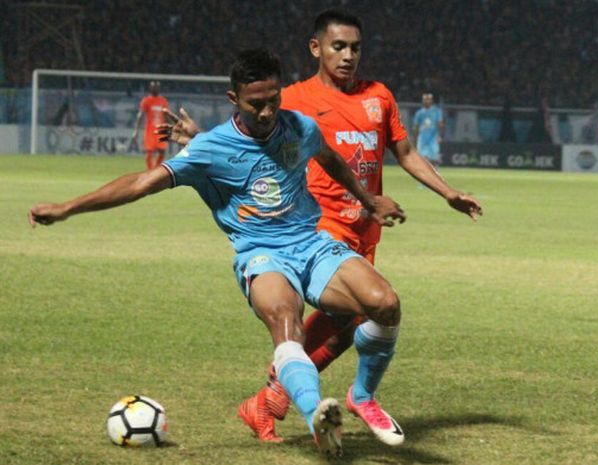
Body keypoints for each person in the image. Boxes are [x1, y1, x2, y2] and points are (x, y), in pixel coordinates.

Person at [28, 49, 408, 458]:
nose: (266, 112)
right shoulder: (210, 149)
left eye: (273, 100)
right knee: (286, 320)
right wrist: (67, 208)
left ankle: (362, 396)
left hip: (311, 243)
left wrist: (367, 200)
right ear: (234, 99)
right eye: (255, 104)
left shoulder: (299, 126)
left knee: (384, 304)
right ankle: (316, 415)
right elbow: (141, 183)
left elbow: (329, 158)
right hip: (262, 254)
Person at [158, 9, 482, 445]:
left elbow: (404, 154)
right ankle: (323, 401)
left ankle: (269, 402)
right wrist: (200, 139)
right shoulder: (293, 98)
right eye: (338, 47)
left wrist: (448, 192)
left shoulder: (378, 96)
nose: (348, 56)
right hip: (317, 227)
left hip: (364, 225)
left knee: (348, 326)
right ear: (316, 49)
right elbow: (247, 131)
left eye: (356, 48)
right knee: (350, 314)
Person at [132, 81, 169, 169]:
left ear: (159, 89)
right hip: (150, 130)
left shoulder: (163, 101)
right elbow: (140, 115)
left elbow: (166, 115)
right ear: (150, 88)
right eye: (153, 87)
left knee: (162, 151)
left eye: (156, 87)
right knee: (149, 152)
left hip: (161, 130)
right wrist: (136, 130)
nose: (155, 89)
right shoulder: (146, 101)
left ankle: (155, 169)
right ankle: (150, 170)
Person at [412, 93, 444, 166]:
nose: (426, 101)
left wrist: (440, 136)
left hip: (433, 140)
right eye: (425, 99)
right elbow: (415, 127)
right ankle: (423, 176)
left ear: (431, 101)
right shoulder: (419, 113)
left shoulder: (437, 111)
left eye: (428, 99)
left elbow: (441, 125)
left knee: (433, 160)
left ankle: (434, 175)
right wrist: (414, 140)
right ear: (422, 101)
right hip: (422, 139)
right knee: (422, 160)